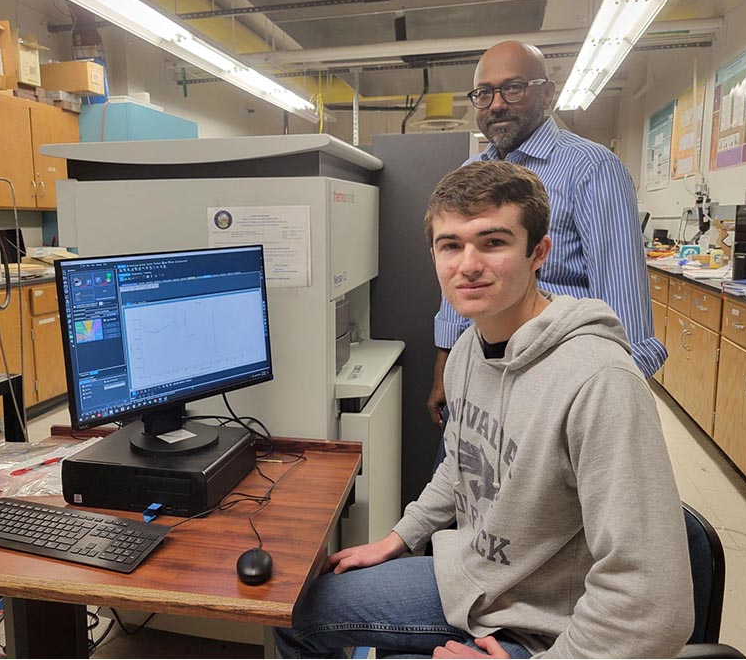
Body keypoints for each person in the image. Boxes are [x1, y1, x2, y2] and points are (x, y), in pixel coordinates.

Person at [274, 161, 692, 659]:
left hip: (552, 632)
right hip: (473, 579)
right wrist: (398, 538)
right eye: (450, 245)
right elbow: (460, 462)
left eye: (493, 243)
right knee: (290, 612)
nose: (467, 265)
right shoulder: (472, 347)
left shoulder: (599, 380)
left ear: (539, 253)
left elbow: (654, 603)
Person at [427, 40, 665, 428]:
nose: (497, 104)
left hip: (559, 377)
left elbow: (625, 312)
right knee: (466, 480)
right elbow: (458, 283)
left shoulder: (592, 168)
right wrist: (445, 365)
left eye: (513, 88)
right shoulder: (470, 169)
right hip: (481, 372)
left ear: (547, 94)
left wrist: (611, 408)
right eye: (484, 94)